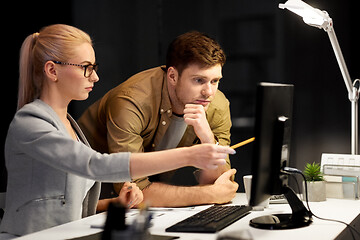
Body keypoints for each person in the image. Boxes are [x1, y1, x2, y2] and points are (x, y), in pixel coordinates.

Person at [0, 24, 235, 237]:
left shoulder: (70, 126)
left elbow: (75, 206)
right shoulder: (30, 122)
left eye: (94, 67)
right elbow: (96, 165)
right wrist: (191, 156)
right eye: (85, 67)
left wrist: (117, 203)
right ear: (52, 71)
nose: (95, 76)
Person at [78, 31, 238, 207]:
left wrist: (208, 140)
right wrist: (208, 194)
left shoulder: (216, 105)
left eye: (214, 81)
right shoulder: (131, 102)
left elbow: (221, 183)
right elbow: (134, 191)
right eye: (199, 80)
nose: (209, 92)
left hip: (139, 206)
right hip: (89, 197)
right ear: (172, 76)